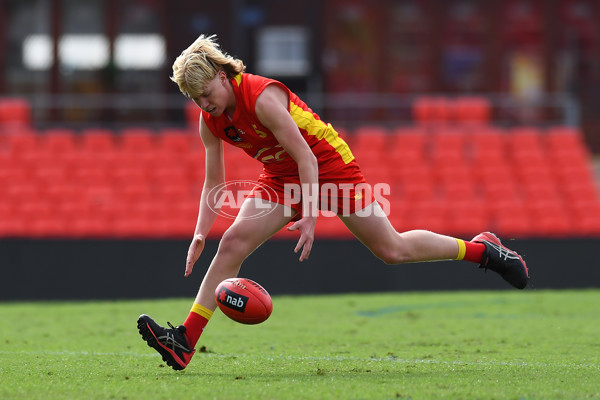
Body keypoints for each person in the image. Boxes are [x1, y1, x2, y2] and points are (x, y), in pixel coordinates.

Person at [137, 34, 529, 371]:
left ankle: (482, 251)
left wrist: (309, 215)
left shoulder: (261, 98)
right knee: (232, 242)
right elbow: (213, 181)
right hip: (281, 176)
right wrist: (200, 233)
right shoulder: (212, 120)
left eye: (206, 94)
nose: (203, 104)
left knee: (392, 248)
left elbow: (308, 158)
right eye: (194, 99)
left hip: (327, 165)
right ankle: (184, 341)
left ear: (222, 77)